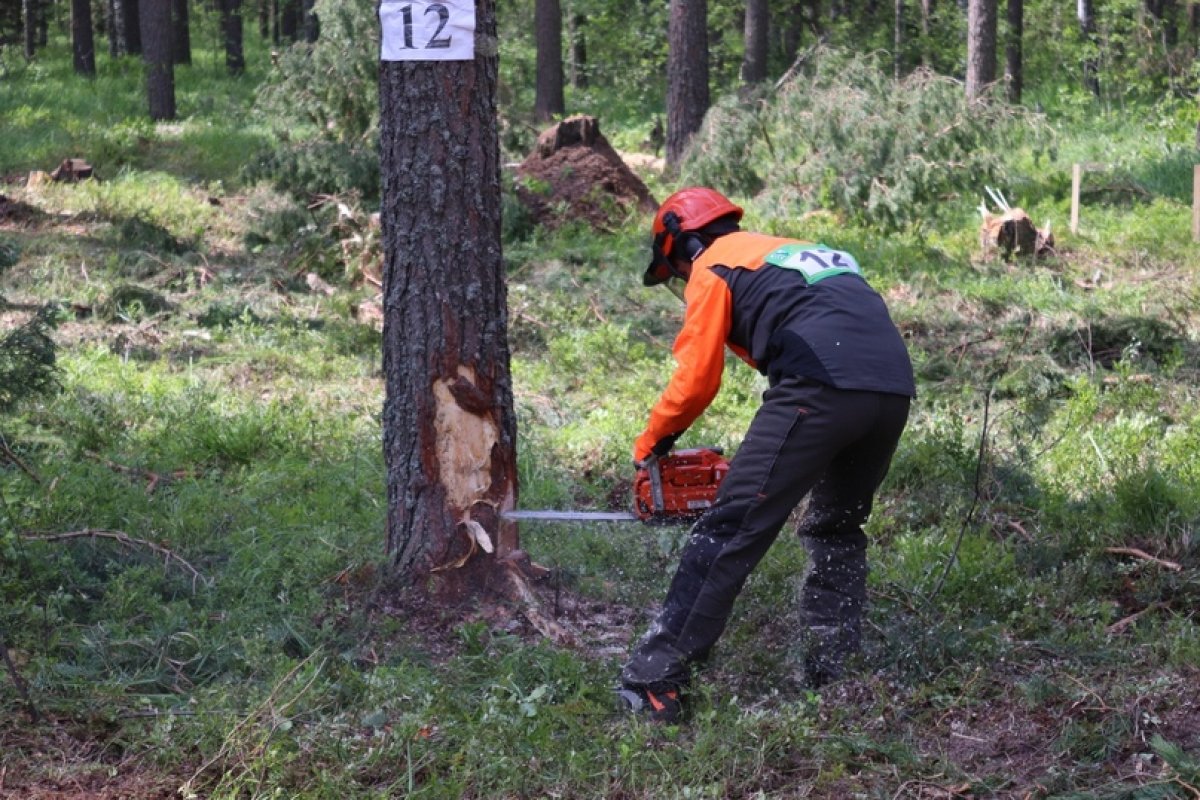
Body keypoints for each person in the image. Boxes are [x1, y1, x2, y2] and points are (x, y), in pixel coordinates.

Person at [617, 187, 916, 723]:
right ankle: (836, 674)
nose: (685, 281)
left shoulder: (715, 263)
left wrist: (652, 442)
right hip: (892, 390)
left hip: (819, 387)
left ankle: (656, 680)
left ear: (685, 243)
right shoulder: (788, 250)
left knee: (728, 528)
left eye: (677, 271)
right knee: (836, 529)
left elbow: (695, 381)